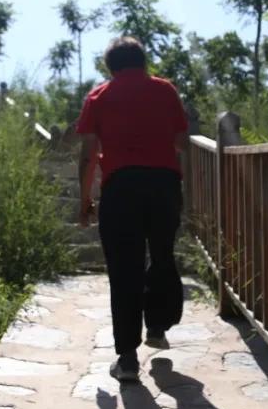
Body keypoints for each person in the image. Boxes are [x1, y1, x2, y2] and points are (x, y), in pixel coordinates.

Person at [76, 36, 189, 383]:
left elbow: (88, 154)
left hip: (120, 188)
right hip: (163, 185)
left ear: (111, 66)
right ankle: (157, 324)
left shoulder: (99, 96)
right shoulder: (165, 91)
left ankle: (127, 359)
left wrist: (85, 200)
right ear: (143, 62)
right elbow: (182, 142)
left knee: (124, 270)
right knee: (162, 255)